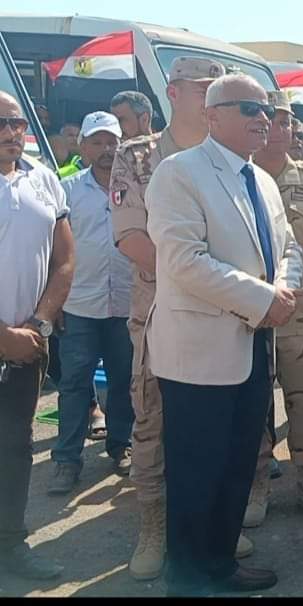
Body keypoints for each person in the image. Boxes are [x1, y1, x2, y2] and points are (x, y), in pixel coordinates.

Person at [146, 73, 301, 596]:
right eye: (249, 109)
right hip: (199, 353)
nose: (264, 119)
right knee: (197, 471)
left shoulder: (263, 181)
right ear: (212, 116)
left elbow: (289, 247)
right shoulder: (179, 173)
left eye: (267, 110)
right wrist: (263, 299)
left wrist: (282, 289)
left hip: (254, 345)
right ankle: (188, 578)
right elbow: (185, 261)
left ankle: (219, 564)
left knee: (238, 465)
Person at [109, 57, 242, 582]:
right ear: (174, 92)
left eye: (217, 89)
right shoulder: (138, 155)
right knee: (154, 420)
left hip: (226, 314)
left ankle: (211, 524)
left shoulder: (229, 155)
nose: (211, 96)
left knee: (221, 426)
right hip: (161, 313)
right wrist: (201, 279)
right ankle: (154, 526)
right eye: (202, 87)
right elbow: (130, 238)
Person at [244, 91, 303, 527]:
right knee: (253, 404)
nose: (278, 129)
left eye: (286, 122)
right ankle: (256, 486)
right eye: (272, 120)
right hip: (248, 311)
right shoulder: (235, 177)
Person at [0, 91, 72, 581]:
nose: (11, 133)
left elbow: (65, 258)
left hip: (26, 346)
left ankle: (10, 544)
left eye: (18, 123)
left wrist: (39, 324)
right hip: (9, 341)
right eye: (0, 124)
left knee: (14, 448)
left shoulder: (43, 178)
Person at [49, 112, 135, 495]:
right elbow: (52, 250)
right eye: (97, 143)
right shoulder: (66, 190)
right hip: (79, 305)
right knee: (74, 384)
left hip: (126, 304)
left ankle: (121, 445)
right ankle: (66, 460)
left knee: (124, 380)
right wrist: (52, 302)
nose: (106, 150)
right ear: (82, 147)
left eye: (112, 142)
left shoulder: (136, 189)